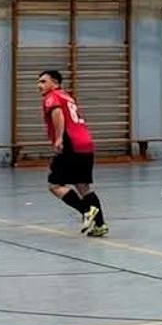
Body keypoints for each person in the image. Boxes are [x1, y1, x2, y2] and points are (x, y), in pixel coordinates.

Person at [38, 69, 108, 237]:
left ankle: (85, 211)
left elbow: (58, 115)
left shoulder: (52, 97)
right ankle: (100, 225)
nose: (39, 85)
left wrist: (59, 138)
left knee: (54, 185)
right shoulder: (67, 96)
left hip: (70, 144)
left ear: (55, 83)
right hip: (85, 143)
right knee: (83, 185)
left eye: (43, 81)